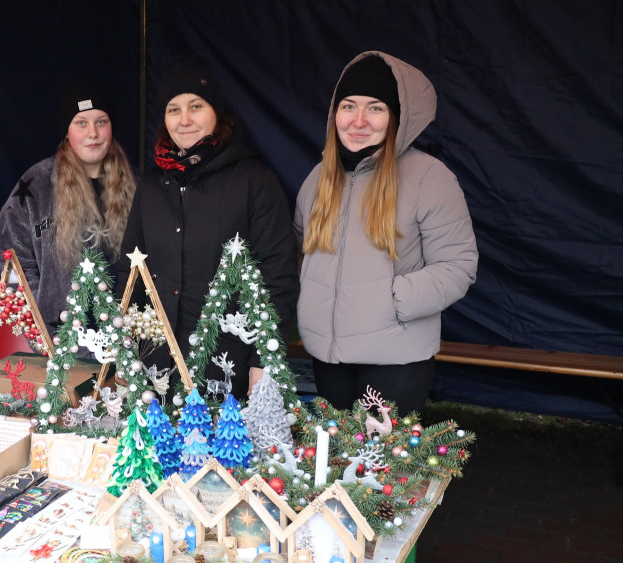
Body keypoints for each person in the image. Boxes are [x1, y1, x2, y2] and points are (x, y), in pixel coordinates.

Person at [295, 52, 478, 417]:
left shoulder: (429, 177)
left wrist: (391, 302)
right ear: (335, 113)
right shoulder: (318, 178)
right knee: (335, 453)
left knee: (382, 456)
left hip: (395, 360)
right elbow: (301, 252)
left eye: (375, 108)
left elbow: (457, 266)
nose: (358, 120)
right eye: (349, 106)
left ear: (397, 116)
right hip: (328, 357)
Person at [119, 55, 298, 399]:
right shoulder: (152, 186)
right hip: (156, 368)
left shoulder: (254, 181)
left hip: (227, 367)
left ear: (217, 112)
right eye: (174, 109)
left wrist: (264, 359)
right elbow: (131, 275)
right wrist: (124, 352)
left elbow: (278, 276)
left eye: (196, 106)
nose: (184, 119)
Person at [0, 83, 137, 335]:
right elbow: (10, 267)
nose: (93, 133)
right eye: (81, 123)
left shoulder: (137, 185)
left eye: (101, 122)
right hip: (59, 345)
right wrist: (41, 331)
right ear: (67, 131)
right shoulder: (36, 185)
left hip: (127, 342)